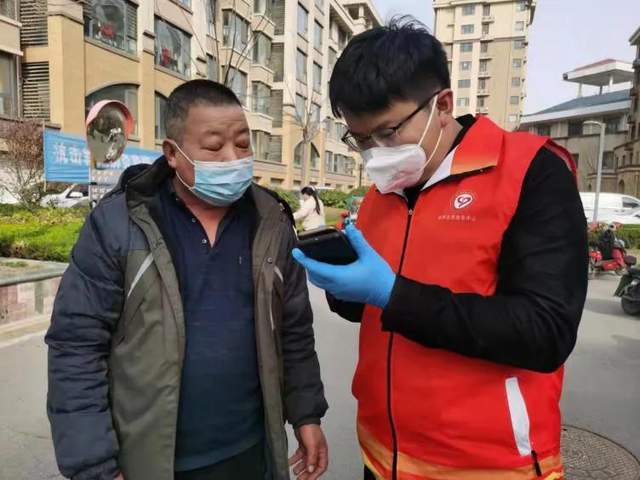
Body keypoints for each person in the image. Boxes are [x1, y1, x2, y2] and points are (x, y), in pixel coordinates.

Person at [292, 18, 587, 480]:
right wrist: (340, 283)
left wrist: (393, 294)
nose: (374, 153)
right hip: (383, 455)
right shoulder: (384, 191)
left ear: (442, 105)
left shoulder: (530, 171)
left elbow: (545, 332)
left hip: (487, 465)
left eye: (388, 132)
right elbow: (367, 310)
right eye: (360, 139)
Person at [46, 80, 329, 480]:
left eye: (243, 144)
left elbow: (294, 330)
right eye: (214, 147)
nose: (233, 158)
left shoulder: (272, 221)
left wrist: (306, 414)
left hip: (252, 454)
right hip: (153, 462)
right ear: (172, 153)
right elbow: (76, 345)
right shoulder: (119, 225)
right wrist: (94, 465)